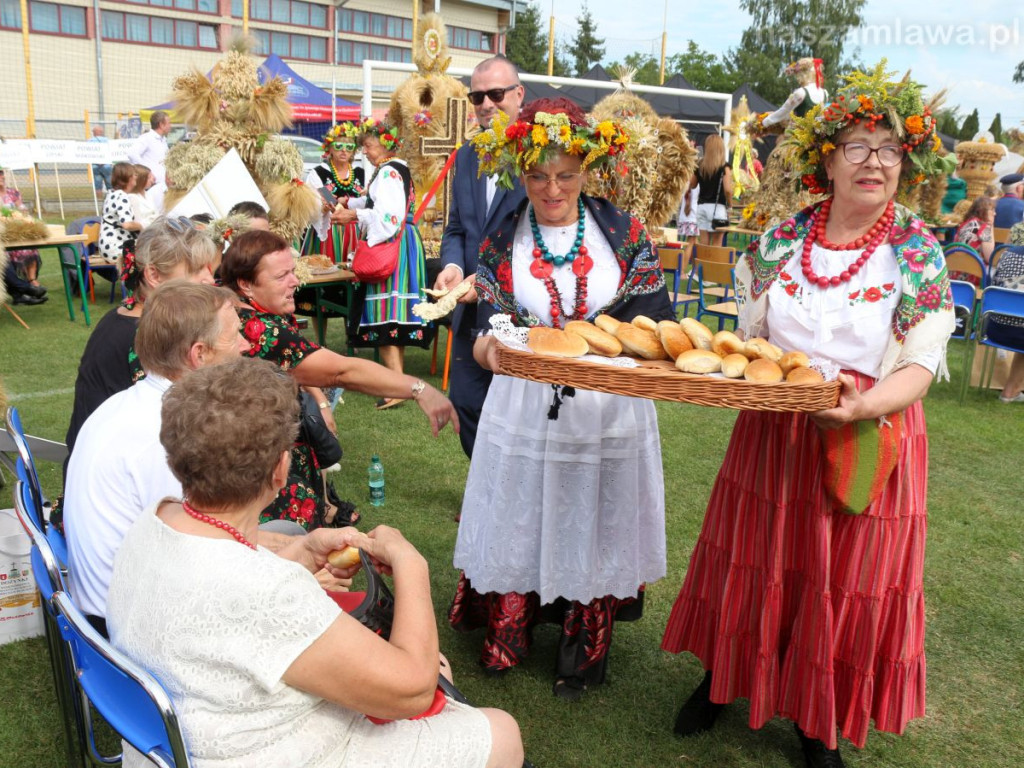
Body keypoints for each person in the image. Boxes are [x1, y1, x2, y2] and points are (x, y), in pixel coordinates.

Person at [661, 67, 956, 768]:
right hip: (774, 428)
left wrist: (861, 405)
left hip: (867, 433)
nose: (875, 161)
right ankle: (726, 679)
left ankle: (819, 722)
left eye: (888, 148)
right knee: (754, 559)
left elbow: (919, 363)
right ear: (829, 158)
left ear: (904, 162)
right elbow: (751, 335)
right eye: (858, 145)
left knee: (838, 578)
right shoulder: (780, 238)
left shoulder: (916, 251)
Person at [105, 357, 524, 768]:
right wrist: (412, 565)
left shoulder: (157, 519)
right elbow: (412, 690)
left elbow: (222, 604)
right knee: (497, 729)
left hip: (183, 739)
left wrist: (300, 554)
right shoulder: (268, 592)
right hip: (259, 749)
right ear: (280, 469)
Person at [448, 98, 673, 701]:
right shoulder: (502, 237)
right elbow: (483, 334)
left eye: (566, 174)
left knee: (593, 518)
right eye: (539, 175)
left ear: (587, 171)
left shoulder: (624, 233)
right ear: (522, 172)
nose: (553, 188)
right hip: (523, 405)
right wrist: (495, 354)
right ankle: (507, 632)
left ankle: (583, 653)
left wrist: (609, 358)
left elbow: (653, 328)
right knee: (522, 511)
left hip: (606, 409)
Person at [219, 229, 458, 529]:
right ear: (245, 284)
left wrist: (319, 401)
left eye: (293, 272)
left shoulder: (236, 311)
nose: (295, 281)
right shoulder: (260, 329)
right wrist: (418, 388)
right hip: (261, 463)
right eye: (281, 276)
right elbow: (341, 371)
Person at [65, 281, 246, 635]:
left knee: (288, 539)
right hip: (133, 625)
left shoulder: (130, 405)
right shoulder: (164, 435)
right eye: (235, 336)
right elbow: (199, 556)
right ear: (200, 354)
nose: (246, 346)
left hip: (119, 602)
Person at [61, 218, 218, 489]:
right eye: (195, 269)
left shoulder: (124, 317)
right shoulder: (145, 336)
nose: (209, 278)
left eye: (208, 266)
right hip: (114, 487)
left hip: (102, 477)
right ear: (154, 276)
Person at [436, 55, 527, 459]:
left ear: (519, 94)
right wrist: (453, 268)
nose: (486, 104)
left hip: (520, 311)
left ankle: (511, 499)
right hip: (470, 312)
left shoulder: (540, 155)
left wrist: (488, 282)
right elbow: (456, 227)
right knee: (467, 404)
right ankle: (485, 492)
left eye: (496, 93)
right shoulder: (468, 155)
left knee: (520, 414)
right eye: (477, 96)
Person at [331, 119, 434, 408]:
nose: (365, 150)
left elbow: (388, 218)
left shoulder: (388, 171)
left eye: (369, 144)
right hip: (404, 243)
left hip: (392, 245)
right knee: (393, 313)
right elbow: (378, 205)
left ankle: (395, 387)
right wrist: (350, 203)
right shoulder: (393, 169)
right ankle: (398, 382)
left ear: (386, 144)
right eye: (363, 145)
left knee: (385, 311)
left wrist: (353, 217)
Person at [303, 122, 365, 264]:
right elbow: (325, 202)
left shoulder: (361, 173)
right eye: (338, 146)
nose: (344, 151)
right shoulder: (319, 173)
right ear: (329, 148)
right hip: (330, 232)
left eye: (349, 147)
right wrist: (324, 207)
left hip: (356, 233)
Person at [988, 246, 1024, 403]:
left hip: (996, 328)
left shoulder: (1008, 254)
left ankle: (1010, 392)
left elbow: (993, 284)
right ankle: (1011, 391)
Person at [0, 168, 43, 293]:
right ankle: (21, 287)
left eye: (1, 173)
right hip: (4, 231)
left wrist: (22, 210)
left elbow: (21, 208)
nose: (0, 177)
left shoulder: (13, 193)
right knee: (13, 251)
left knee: (30, 246)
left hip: (17, 227)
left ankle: (31, 280)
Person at [692, 134, 733, 246]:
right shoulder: (725, 167)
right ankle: (713, 263)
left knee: (704, 242)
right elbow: (728, 190)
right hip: (718, 207)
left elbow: (692, 185)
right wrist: (730, 205)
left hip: (701, 207)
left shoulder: (700, 165)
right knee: (717, 243)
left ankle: (702, 263)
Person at [127, 110, 171, 211]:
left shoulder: (163, 140)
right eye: (169, 123)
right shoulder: (147, 138)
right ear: (161, 125)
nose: (170, 126)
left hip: (162, 186)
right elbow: (132, 153)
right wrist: (147, 172)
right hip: (151, 186)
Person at [98, 162, 142, 262]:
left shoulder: (112, 193)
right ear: (128, 177)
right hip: (117, 247)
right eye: (134, 174)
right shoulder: (122, 196)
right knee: (153, 251)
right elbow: (126, 224)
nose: (136, 176)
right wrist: (141, 226)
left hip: (107, 246)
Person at [952, 196, 996, 279]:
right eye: (992, 210)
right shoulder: (985, 227)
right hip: (972, 274)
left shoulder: (965, 223)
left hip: (954, 271)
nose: (995, 213)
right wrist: (991, 226)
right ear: (983, 211)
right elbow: (989, 258)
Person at [128, 164, 158, 228]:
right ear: (140, 179)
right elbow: (137, 223)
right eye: (148, 178)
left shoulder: (148, 194)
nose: (152, 179)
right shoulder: (132, 197)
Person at [89, 125, 112, 193]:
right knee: (110, 186)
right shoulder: (107, 141)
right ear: (101, 132)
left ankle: (98, 201)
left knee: (97, 187)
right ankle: (110, 198)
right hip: (106, 165)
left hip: (95, 165)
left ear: (94, 132)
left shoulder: (90, 141)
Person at [677, 179, 699, 245]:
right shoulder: (697, 184)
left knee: (694, 241)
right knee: (691, 242)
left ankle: (699, 254)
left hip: (685, 215)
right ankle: (685, 255)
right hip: (693, 216)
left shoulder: (685, 182)